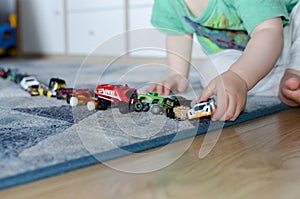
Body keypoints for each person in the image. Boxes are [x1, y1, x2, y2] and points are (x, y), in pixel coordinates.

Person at [147, 0, 300, 121]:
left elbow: (268, 31)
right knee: (213, 71)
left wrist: (240, 75)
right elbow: (179, 32)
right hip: (241, 61)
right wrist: (178, 74)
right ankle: (286, 87)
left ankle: (294, 72)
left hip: (288, 42)